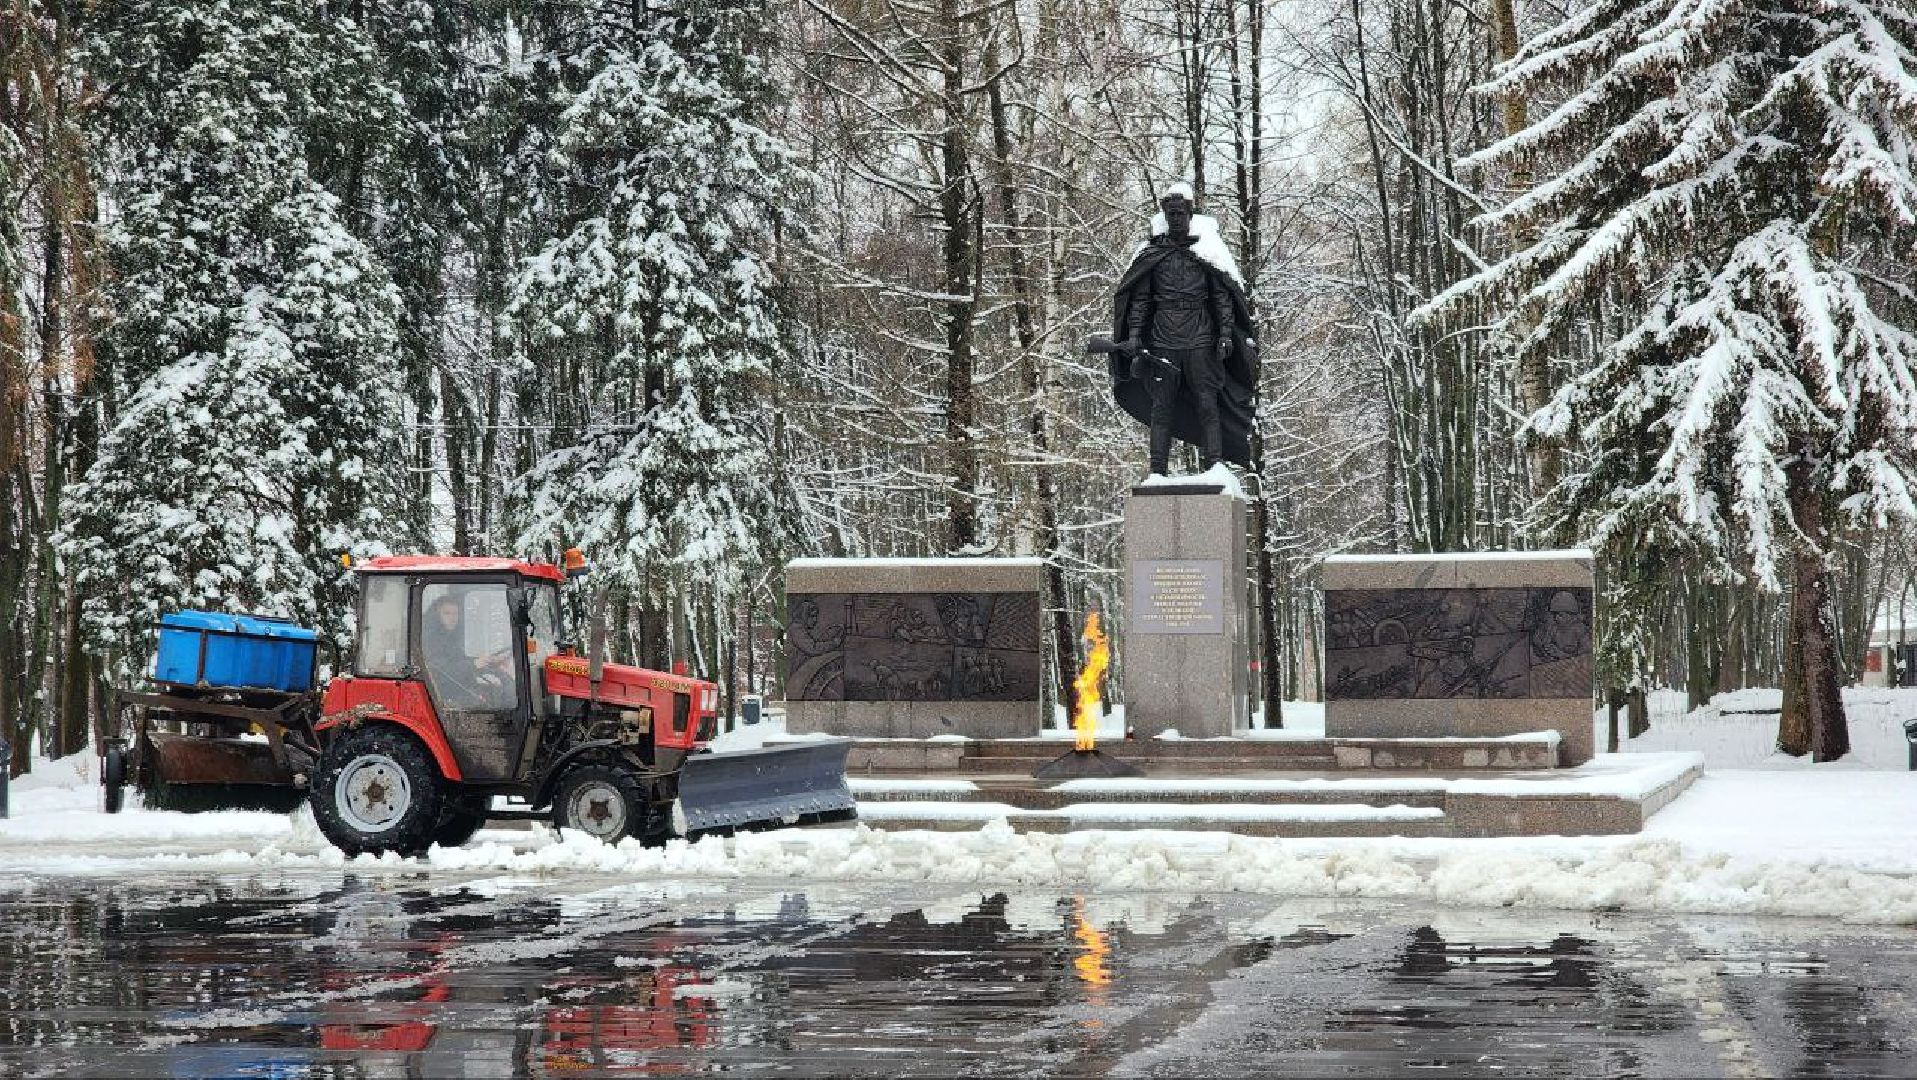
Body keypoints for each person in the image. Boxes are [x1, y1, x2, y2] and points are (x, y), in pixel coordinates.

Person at [1106, 183, 1259, 476]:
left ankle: (1215, 465)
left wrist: (1226, 333)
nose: (1176, 218)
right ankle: (1157, 471)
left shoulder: (1206, 253)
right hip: (1163, 341)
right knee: (1161, 408)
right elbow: (1139, 299)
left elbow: (1222, 297)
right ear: (1165, 215)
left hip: (1201, 339)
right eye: (1171, 213)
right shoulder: (1153, 254)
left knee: (1207, 404)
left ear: (1189, 213)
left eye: (1180, 212)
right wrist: (1135, 335)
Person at [421, 592, 513, 708]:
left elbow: (457, 660)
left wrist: (489, 661)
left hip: (456, 688)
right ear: (437, 615)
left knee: (499, 689)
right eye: (447, 613)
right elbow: (441, 671)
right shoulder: (431, 640)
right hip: (444, 693)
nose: (452, 618)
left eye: (455, 613)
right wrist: (474, 664)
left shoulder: (449, 638)